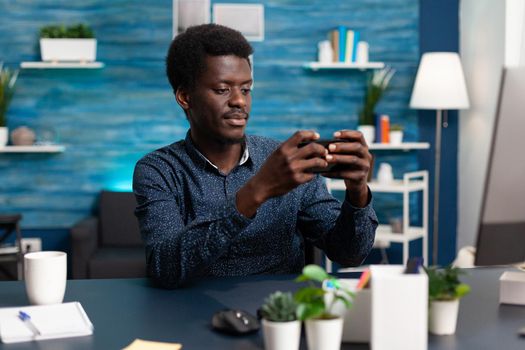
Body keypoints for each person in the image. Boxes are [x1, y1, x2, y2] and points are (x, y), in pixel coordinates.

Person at [133, 24, 378, 289]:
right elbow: (164, 266)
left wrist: (358, 194)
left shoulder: (288, 160)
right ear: (185, 96)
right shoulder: (158, 170)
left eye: (246, 89)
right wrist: (257, 190)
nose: (239, 101)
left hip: (280, 315)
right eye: (222, 89)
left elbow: (348, 253)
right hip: (190, 315)